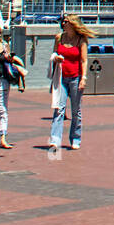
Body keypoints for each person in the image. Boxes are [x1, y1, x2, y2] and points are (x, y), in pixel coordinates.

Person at [48, 15, 92, 153]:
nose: (63, 23)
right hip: (61, 77)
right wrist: (56, 57)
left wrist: (83, 78)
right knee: (59, 108)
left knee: (75, 110)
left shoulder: (81, 40)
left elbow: (84, 60)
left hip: (75, 77)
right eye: (63, 21)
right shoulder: (59, 38)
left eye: (66, 22)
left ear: (73, 24)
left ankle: (75, 138)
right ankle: (55, 140)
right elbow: (54, 52)